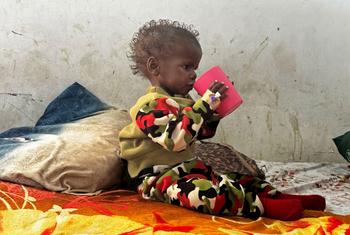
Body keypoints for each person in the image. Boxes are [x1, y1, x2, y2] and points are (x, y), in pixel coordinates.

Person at [118, 19, 325, 220]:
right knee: (205, 195)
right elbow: (176, 140)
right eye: (186, 67)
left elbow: (199, 133)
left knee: (238, 179)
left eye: (195, 68)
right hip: (156, 180)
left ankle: (280, 197)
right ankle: (265, 207)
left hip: (188, 169)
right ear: (155, 67)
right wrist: (205, 105)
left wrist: (214, 113)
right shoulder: (148, 105)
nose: (193, 75)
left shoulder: (183, 101)